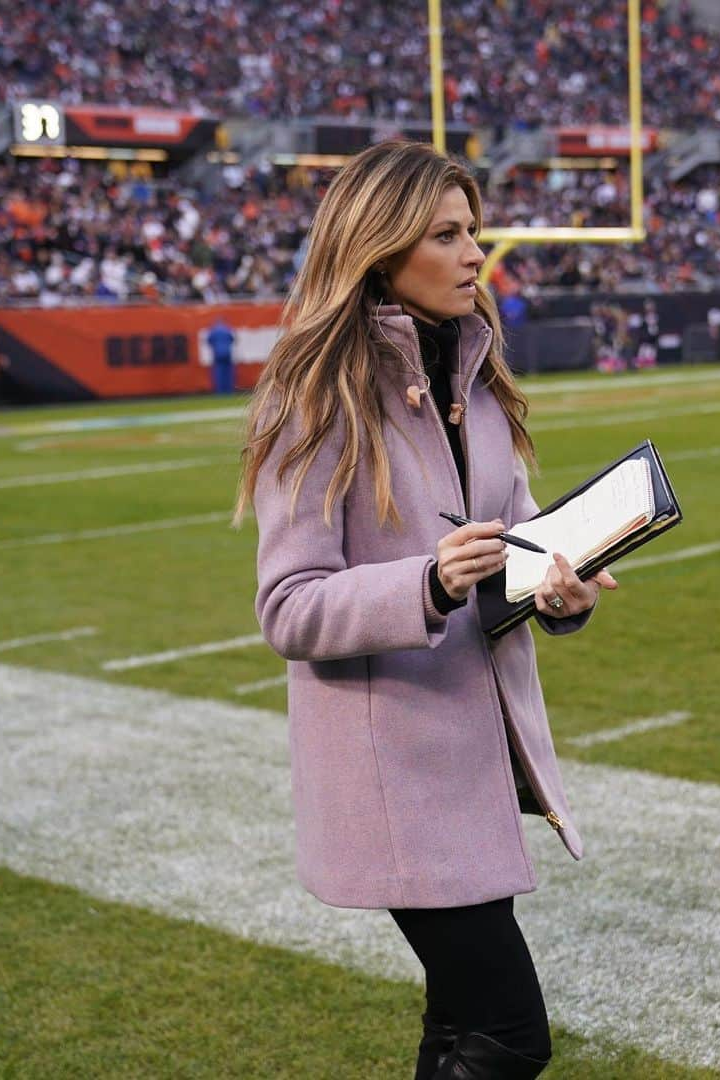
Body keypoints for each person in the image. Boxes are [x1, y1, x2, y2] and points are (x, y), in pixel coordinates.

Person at [234, 140, 617, 1079]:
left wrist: (560, 588)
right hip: (396, 771)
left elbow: (516, 535)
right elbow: (289, 608)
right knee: (508, 1037)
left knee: (460, 1030)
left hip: (469, 762)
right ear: (383, 245)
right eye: (446, 235)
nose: (473, 252)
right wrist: (426, 582)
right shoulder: (313, 393)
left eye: (473, 231)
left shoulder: (473, 373)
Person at [206, 316, 236, 393]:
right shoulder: (227, 329)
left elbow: (209, 340)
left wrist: (215, 346)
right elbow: (232, 339)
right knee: (228, 372)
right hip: (227, 353)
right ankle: (229, 389)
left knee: (219, 372)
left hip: (218, 353)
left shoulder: (213, 330)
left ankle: (220, 390)